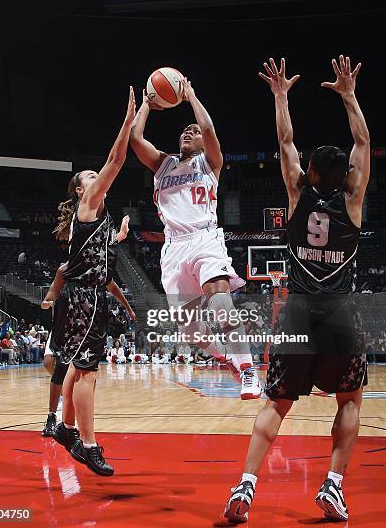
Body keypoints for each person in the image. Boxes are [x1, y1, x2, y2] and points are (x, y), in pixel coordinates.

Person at [224, 56, 370, 524]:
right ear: (344, 175)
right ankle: (333, 485)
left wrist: (281, 95)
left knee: (275, 404)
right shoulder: (353, 203)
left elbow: (285, 140)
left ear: (308, 174)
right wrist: (348, 95)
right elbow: (363, 141)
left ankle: (245, 487)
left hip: (298, 315)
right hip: (341, 315)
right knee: (350, 401)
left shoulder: (295, 196)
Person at [130, 83, 260, 399]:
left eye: (194, 131)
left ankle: (248, 371)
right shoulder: (164, 164)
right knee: (191, 333)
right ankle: (225, 355)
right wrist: (148, 103)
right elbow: (135, 138)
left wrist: (189, 97)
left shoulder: (210, 163)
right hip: (173, 248)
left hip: (204, 239)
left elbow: (208, 127)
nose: (189, 133)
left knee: (220, 302)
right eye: (185, 131)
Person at [48, 87, 135, 477]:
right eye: (90, 175)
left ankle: (65, 429)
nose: (97, 176)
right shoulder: (89, 202)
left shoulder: (96, 217)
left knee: (75, 368)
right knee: (87, 372)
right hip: (85, 297)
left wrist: (118, 237)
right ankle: (88, 444)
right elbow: (116, 159)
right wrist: (130, 119)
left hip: (87, 296)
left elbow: (94, 254)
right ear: (82, 189)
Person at [40, 227, 135, 438]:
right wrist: (47, 302)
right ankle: (55, 412)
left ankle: (61, 416)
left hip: (84, 328)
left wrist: (128, 308)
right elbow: (52, 292)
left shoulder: (95, 270)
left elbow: (114, 287)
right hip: (62, 327)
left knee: (68, 371)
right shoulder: (64, 270)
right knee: (49, 363)